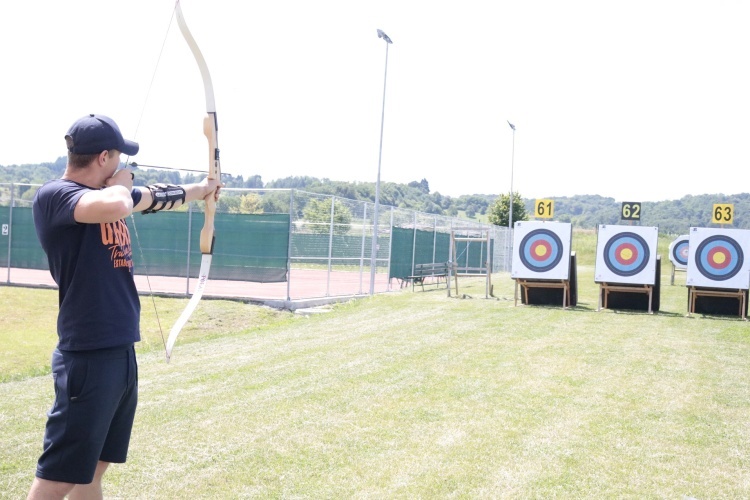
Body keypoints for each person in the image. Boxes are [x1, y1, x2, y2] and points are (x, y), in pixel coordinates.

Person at [27, 113, 221, 499]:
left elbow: (152, 197)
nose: (122, 165)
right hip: (87, 354)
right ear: (103, 157)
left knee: (94, 468)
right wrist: (122, 186)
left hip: (117, 352)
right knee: (60, 475)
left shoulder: (109, 194)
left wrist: (202, 189)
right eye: (118, 158)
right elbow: (117, 203)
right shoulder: (57, 196)